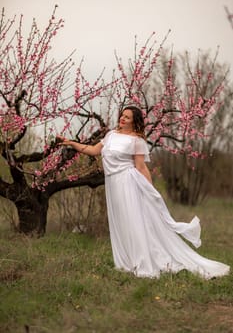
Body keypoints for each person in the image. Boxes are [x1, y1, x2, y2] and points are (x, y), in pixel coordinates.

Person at [57, 105, 230, 279]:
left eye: (127, 117)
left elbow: (141, 167)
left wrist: (150, 191)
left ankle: (143, 261)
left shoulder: (136, 141)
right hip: (114, 185)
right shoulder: (111, 135)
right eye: (122, 116)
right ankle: (128, 261)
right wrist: (72, 143)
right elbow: (93, 150)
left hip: (128, 183)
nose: (122, 119)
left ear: (135, 122)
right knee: (122, 222)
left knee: (133, 222)